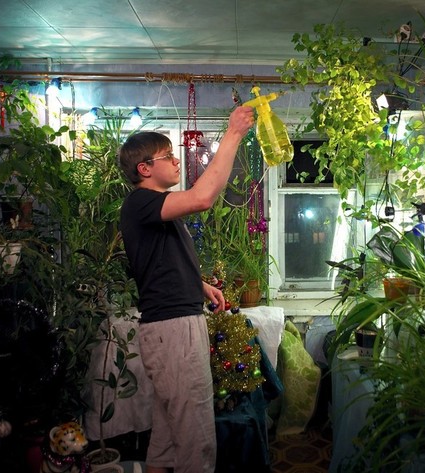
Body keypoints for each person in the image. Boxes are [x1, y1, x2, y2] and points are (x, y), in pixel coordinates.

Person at [117, 105, 255, 473]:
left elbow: (161, 261)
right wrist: (234, 133)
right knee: (196, 444)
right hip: (174, 329)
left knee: (165, 443)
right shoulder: (141, 202)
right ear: (144, 169)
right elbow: (202, 197)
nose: (177, 160)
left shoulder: (154, 209)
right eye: (168, 156)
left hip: (169, 328)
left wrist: (199, 284)